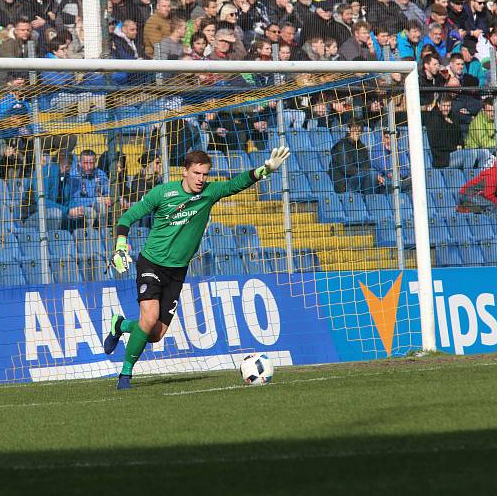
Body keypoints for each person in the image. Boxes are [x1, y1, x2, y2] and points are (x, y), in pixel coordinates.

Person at [104, 147, 290, 390]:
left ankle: (120, 325)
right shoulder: (163, 192)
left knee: (156, 334)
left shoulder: (209, 192)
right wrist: (120, 245)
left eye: (204, 173)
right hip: (151, 263)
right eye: (196, 173)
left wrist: (265, 170)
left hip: (177, 271)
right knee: (148, 318)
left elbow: (236, 184)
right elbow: (127, 217)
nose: (201, 178)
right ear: (184, 172)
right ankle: (125, 375)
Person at [427, 95, 491, 169]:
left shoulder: (453, 117)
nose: (446, 108)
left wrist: (460, 144)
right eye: (444, 106)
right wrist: (455, 148)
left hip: (457, 152)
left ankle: (481, 176)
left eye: (449, 106)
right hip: (444, 158)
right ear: (438, 105)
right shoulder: (435, 120)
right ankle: (469, 178)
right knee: (471, 154)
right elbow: (437, 143)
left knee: (485, 153)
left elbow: (460, 136)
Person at [330, 123, 384, 194]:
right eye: (355, 130)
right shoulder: (340, 146)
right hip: (345, 183)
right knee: (372, 173)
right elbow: (347, 169)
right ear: (348, 130)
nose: (357, 133)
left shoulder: (362, 147)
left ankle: (370, 200)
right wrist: (366, 172)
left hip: (360, 178)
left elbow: (367, 165)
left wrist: (369, 172)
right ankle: (370, 200)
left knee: (390, 182)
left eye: (360, 131)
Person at [67, 149, 111, 231]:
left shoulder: (100, 174)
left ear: (96, 162)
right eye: (85, 163)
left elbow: (108, 192)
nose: (89, 166)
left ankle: (104, 234)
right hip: (80, 207)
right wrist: (95, 200)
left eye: (92, 163)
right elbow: (74, 200)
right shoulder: (73, 176)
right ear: (79, 163)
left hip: (99, 206)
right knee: (93, 211)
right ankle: (90, 237)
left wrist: (108, 198)